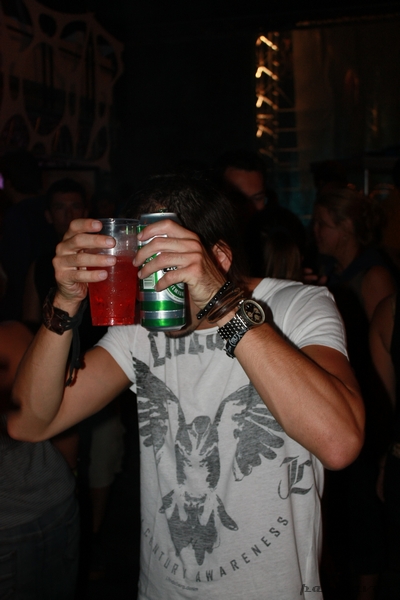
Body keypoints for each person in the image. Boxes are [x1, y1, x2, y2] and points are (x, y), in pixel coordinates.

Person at [9, 173, 364, 599]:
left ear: (219, 258)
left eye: (167, 267)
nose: (154, 287)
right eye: (143, 269)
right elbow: (29, 422)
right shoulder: (139, 328)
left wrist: (221, 301)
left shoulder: (296, 307)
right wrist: (64, 302)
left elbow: (338, 443)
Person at [313, 186, 395, 600]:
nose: (315, 231)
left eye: (322, 224)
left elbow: (384, 351)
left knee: (364, 507)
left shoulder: (373, 275)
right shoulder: (330, 270)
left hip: (366, 403)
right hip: (342, 399)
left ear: (346, 227)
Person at [0, 320, 79, 600]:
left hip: (33, 513)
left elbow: (61, 414)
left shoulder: (11, 336)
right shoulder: (13, 335)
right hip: (54, 503)